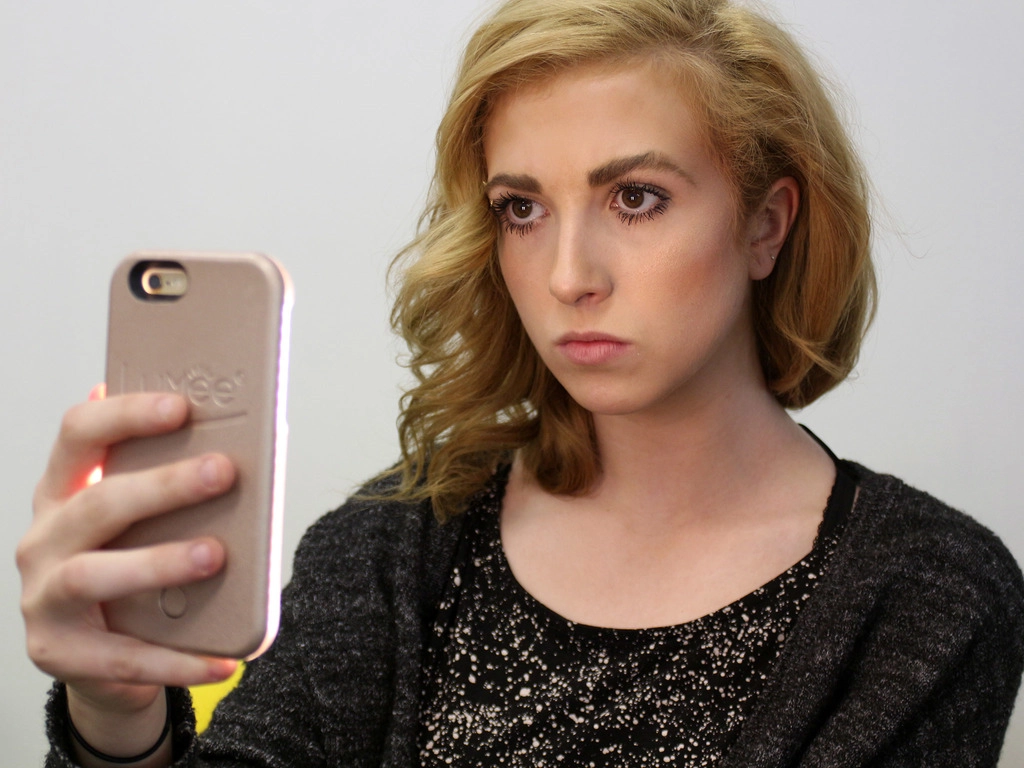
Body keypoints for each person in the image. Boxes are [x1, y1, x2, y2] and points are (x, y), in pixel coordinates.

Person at [19, 0, 1024, 765]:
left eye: (637, 197)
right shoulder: (391, 546)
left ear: (766, 225)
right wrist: (116, 715)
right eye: (522, 209)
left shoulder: (928, 597)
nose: (568, 276)